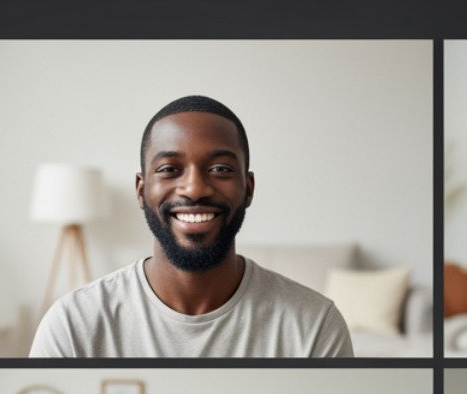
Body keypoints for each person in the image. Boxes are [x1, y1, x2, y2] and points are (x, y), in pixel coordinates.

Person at [30, 95, 353, 358]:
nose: (195, 188)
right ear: (141, 190)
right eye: (170, 169)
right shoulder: (73, 324)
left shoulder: (314, 326)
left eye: (220, 168)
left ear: (248, 188)